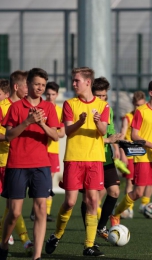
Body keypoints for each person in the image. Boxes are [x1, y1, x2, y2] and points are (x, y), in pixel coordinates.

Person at [45, 67, 109, 257]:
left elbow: (103, 131)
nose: (73, 84)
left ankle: (89, 245)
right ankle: (56, 235)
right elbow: (67, 131)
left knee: (92, 201)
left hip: (95, 159)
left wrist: (97, 122)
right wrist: (81, 122)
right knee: (70, 202)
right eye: (73, 80)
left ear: (88, 82)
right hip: (74, 158)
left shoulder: (103, 105)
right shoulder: (69, 104)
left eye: (76, 81)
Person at [0, 68, 59, 260]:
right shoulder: (15, 108)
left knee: (41, 208)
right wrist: (27, 122)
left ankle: (37, 256)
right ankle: (3, 245)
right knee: (15, 212)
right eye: (36, 84)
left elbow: (56, 136)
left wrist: (41, 123)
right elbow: (8, 135)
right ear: (28, 85)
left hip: (41, 165)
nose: (40, 88)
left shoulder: (49, 108)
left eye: (43, 84)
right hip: (17, 164)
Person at [110, 79, 152, 236]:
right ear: (151, 93)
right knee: (138, 193)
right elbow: (134, 135)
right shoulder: (141, 111)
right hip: (143, 157)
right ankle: (116, 213)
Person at [80, 76, 122, 241]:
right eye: (99, 95)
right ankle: (88, 231)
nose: (102, 99)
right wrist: (108, 141)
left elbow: (110, 131)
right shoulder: (85, 110)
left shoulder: (107, 110)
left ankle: (101, 226)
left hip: (106, 157)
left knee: (114, 191)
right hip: (90, 157)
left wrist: (116, 147)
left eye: (105, 96)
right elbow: (86, 138)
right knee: (88, 198)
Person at [0, 71, 35, 256]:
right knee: (11, 207)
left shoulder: (27, 106)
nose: (28, 90)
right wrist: (10, 136)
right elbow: (6, 134)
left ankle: (25, 240)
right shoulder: (3, 107)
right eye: (25, 86)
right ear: (16, 87)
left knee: (12, 207)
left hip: (16, 163)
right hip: (3, 161)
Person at [30, 81, 65, 222]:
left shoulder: (59, 111)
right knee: (38, 179)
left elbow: (62, 133)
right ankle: (36, 208)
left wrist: (53, 132)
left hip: (53, 150)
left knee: (48, 180)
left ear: (57, 95)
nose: (50, 97)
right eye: (48, 94)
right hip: (40, 148)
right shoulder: (40, 109)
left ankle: (46, 211)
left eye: (53, 94)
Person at [120, 91, 152, 218]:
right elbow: (123, 136)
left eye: (140, 105)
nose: (137, 108)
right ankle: (129, 207)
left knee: (150, 180)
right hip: (131, 153)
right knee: (130, 181)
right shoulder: (128, 117)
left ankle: (145, 204)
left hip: (145, 153)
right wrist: (122, 153)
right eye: (136, 105)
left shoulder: (147, 116)